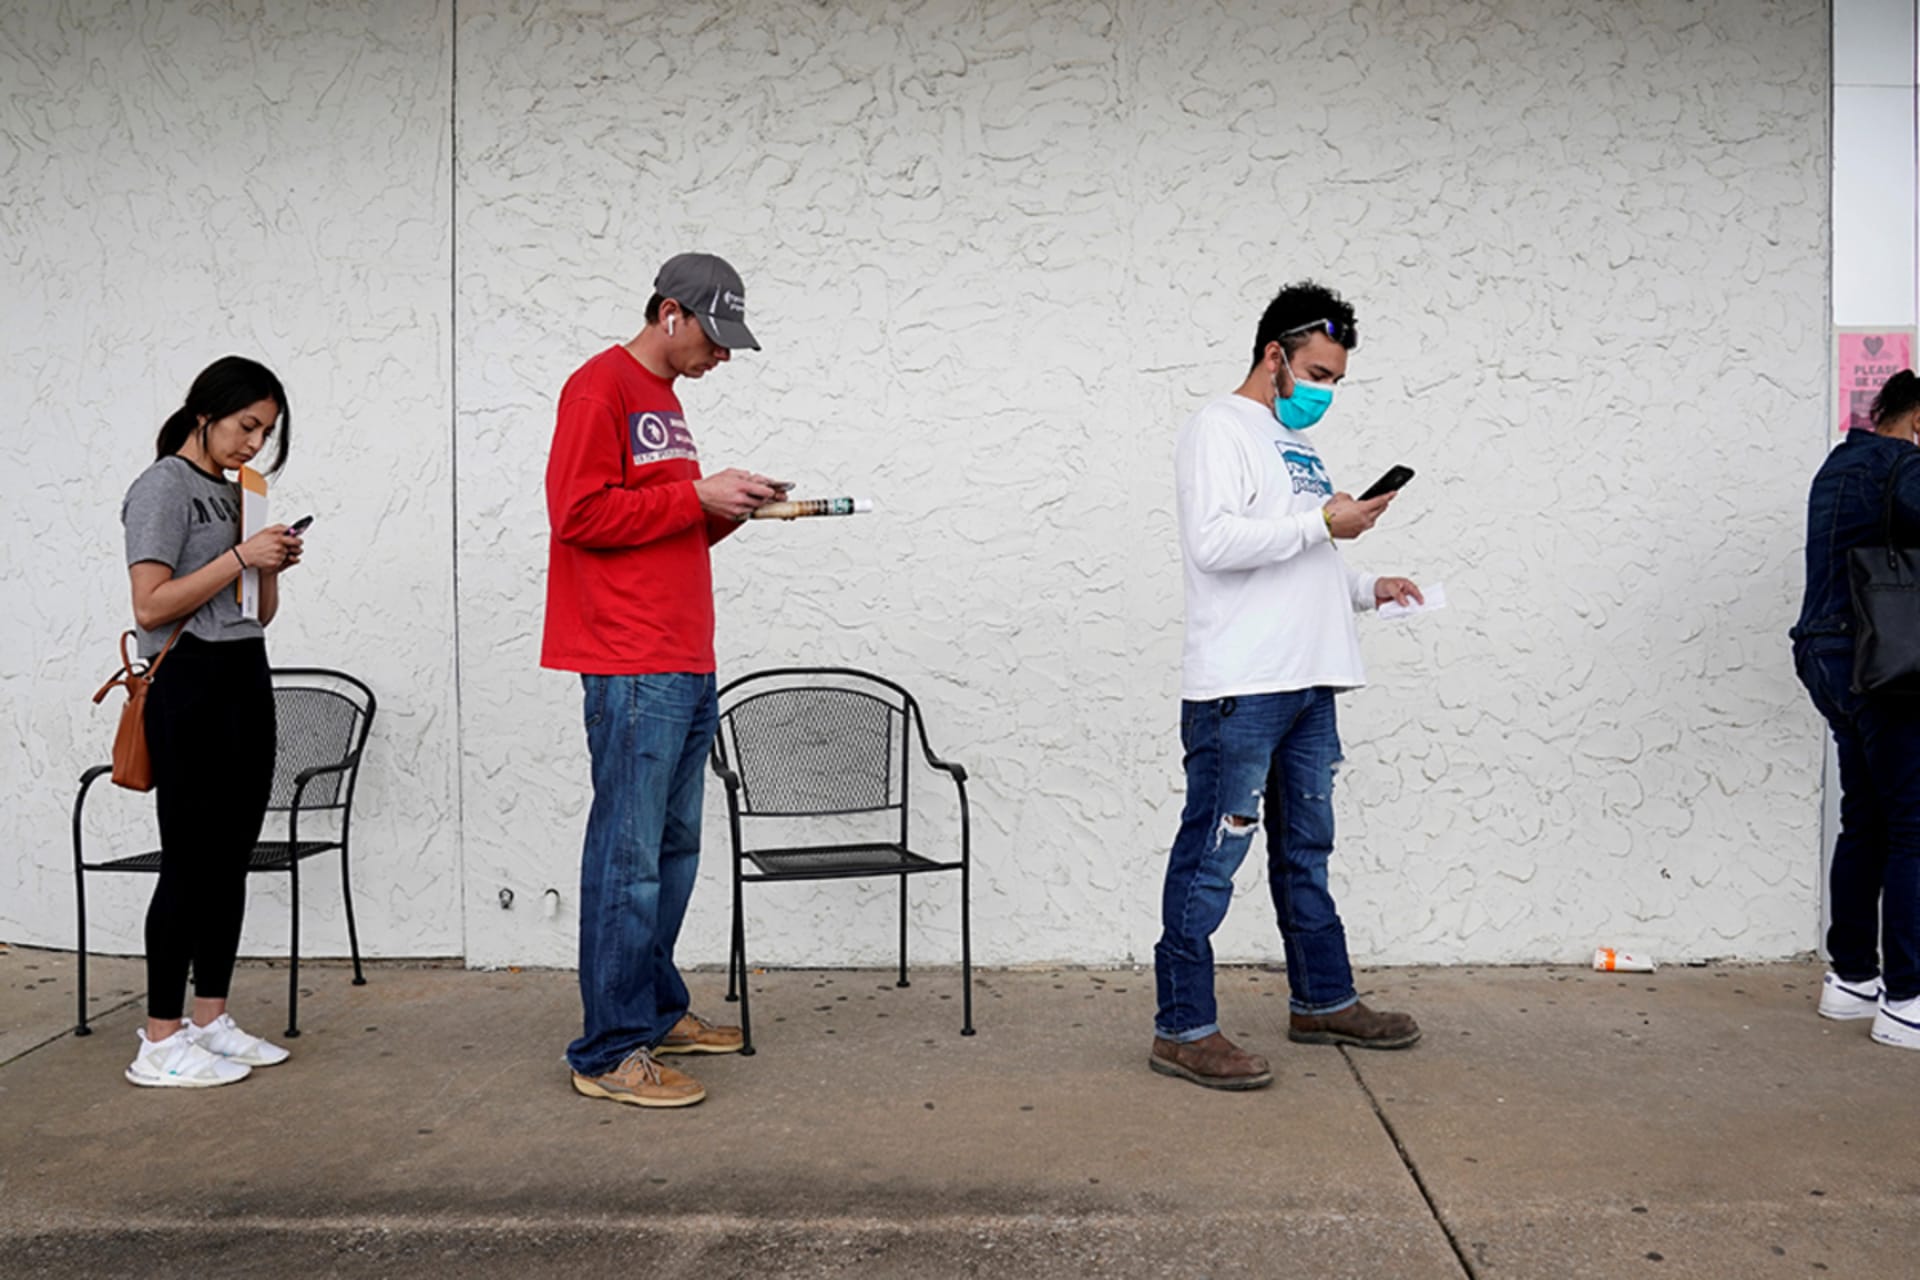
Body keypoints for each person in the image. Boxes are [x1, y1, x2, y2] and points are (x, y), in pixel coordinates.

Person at [1151, 281, 1425, 1091]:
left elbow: (1303, 555)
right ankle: (1182, 1028)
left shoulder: (1293, 446)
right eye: (1315, 373)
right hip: (1244, 685)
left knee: (1306, 850)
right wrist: (1320, 524)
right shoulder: (1217, 429)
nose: (1324, 391)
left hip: (1312, 681)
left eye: (1335, 379)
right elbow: (1214, 544)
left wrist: (1367, 583)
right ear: (1273, 356)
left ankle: (1322, 1000)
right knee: (1213, 854)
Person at [543, 252, 785, 1108]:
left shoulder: (666, 404)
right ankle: (608, 1050)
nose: (721, 358)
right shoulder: (598, 388)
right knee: (629, 857)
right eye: (714, 339)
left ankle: (651, 1007)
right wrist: (697, 497)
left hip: (684, 653)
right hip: (631, 659)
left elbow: (654, 528)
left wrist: (727, 512)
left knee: (672, 852)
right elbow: (576, 516)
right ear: (671, 313)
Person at [119, 355, 304, 1088]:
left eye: (265, 433)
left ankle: (209, 1020)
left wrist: (269, 569)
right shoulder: (160, 488)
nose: (254, 446)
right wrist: (237, 555)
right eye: (246, 426)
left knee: (231, 857)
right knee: (189, 859)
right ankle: (159, 1040)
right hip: (185, 681)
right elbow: (149, 607)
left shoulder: (239, 494)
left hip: (242, 674)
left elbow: (252, 613)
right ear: (206, 411)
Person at [1791, 368, 1920, 1051]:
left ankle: (1852, 980)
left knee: (1866, 818)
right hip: (1883, 666)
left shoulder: (1840, 465)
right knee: (1912, 825)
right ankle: (1909, 998)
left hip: (1829, 656)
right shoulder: (1901, 465)